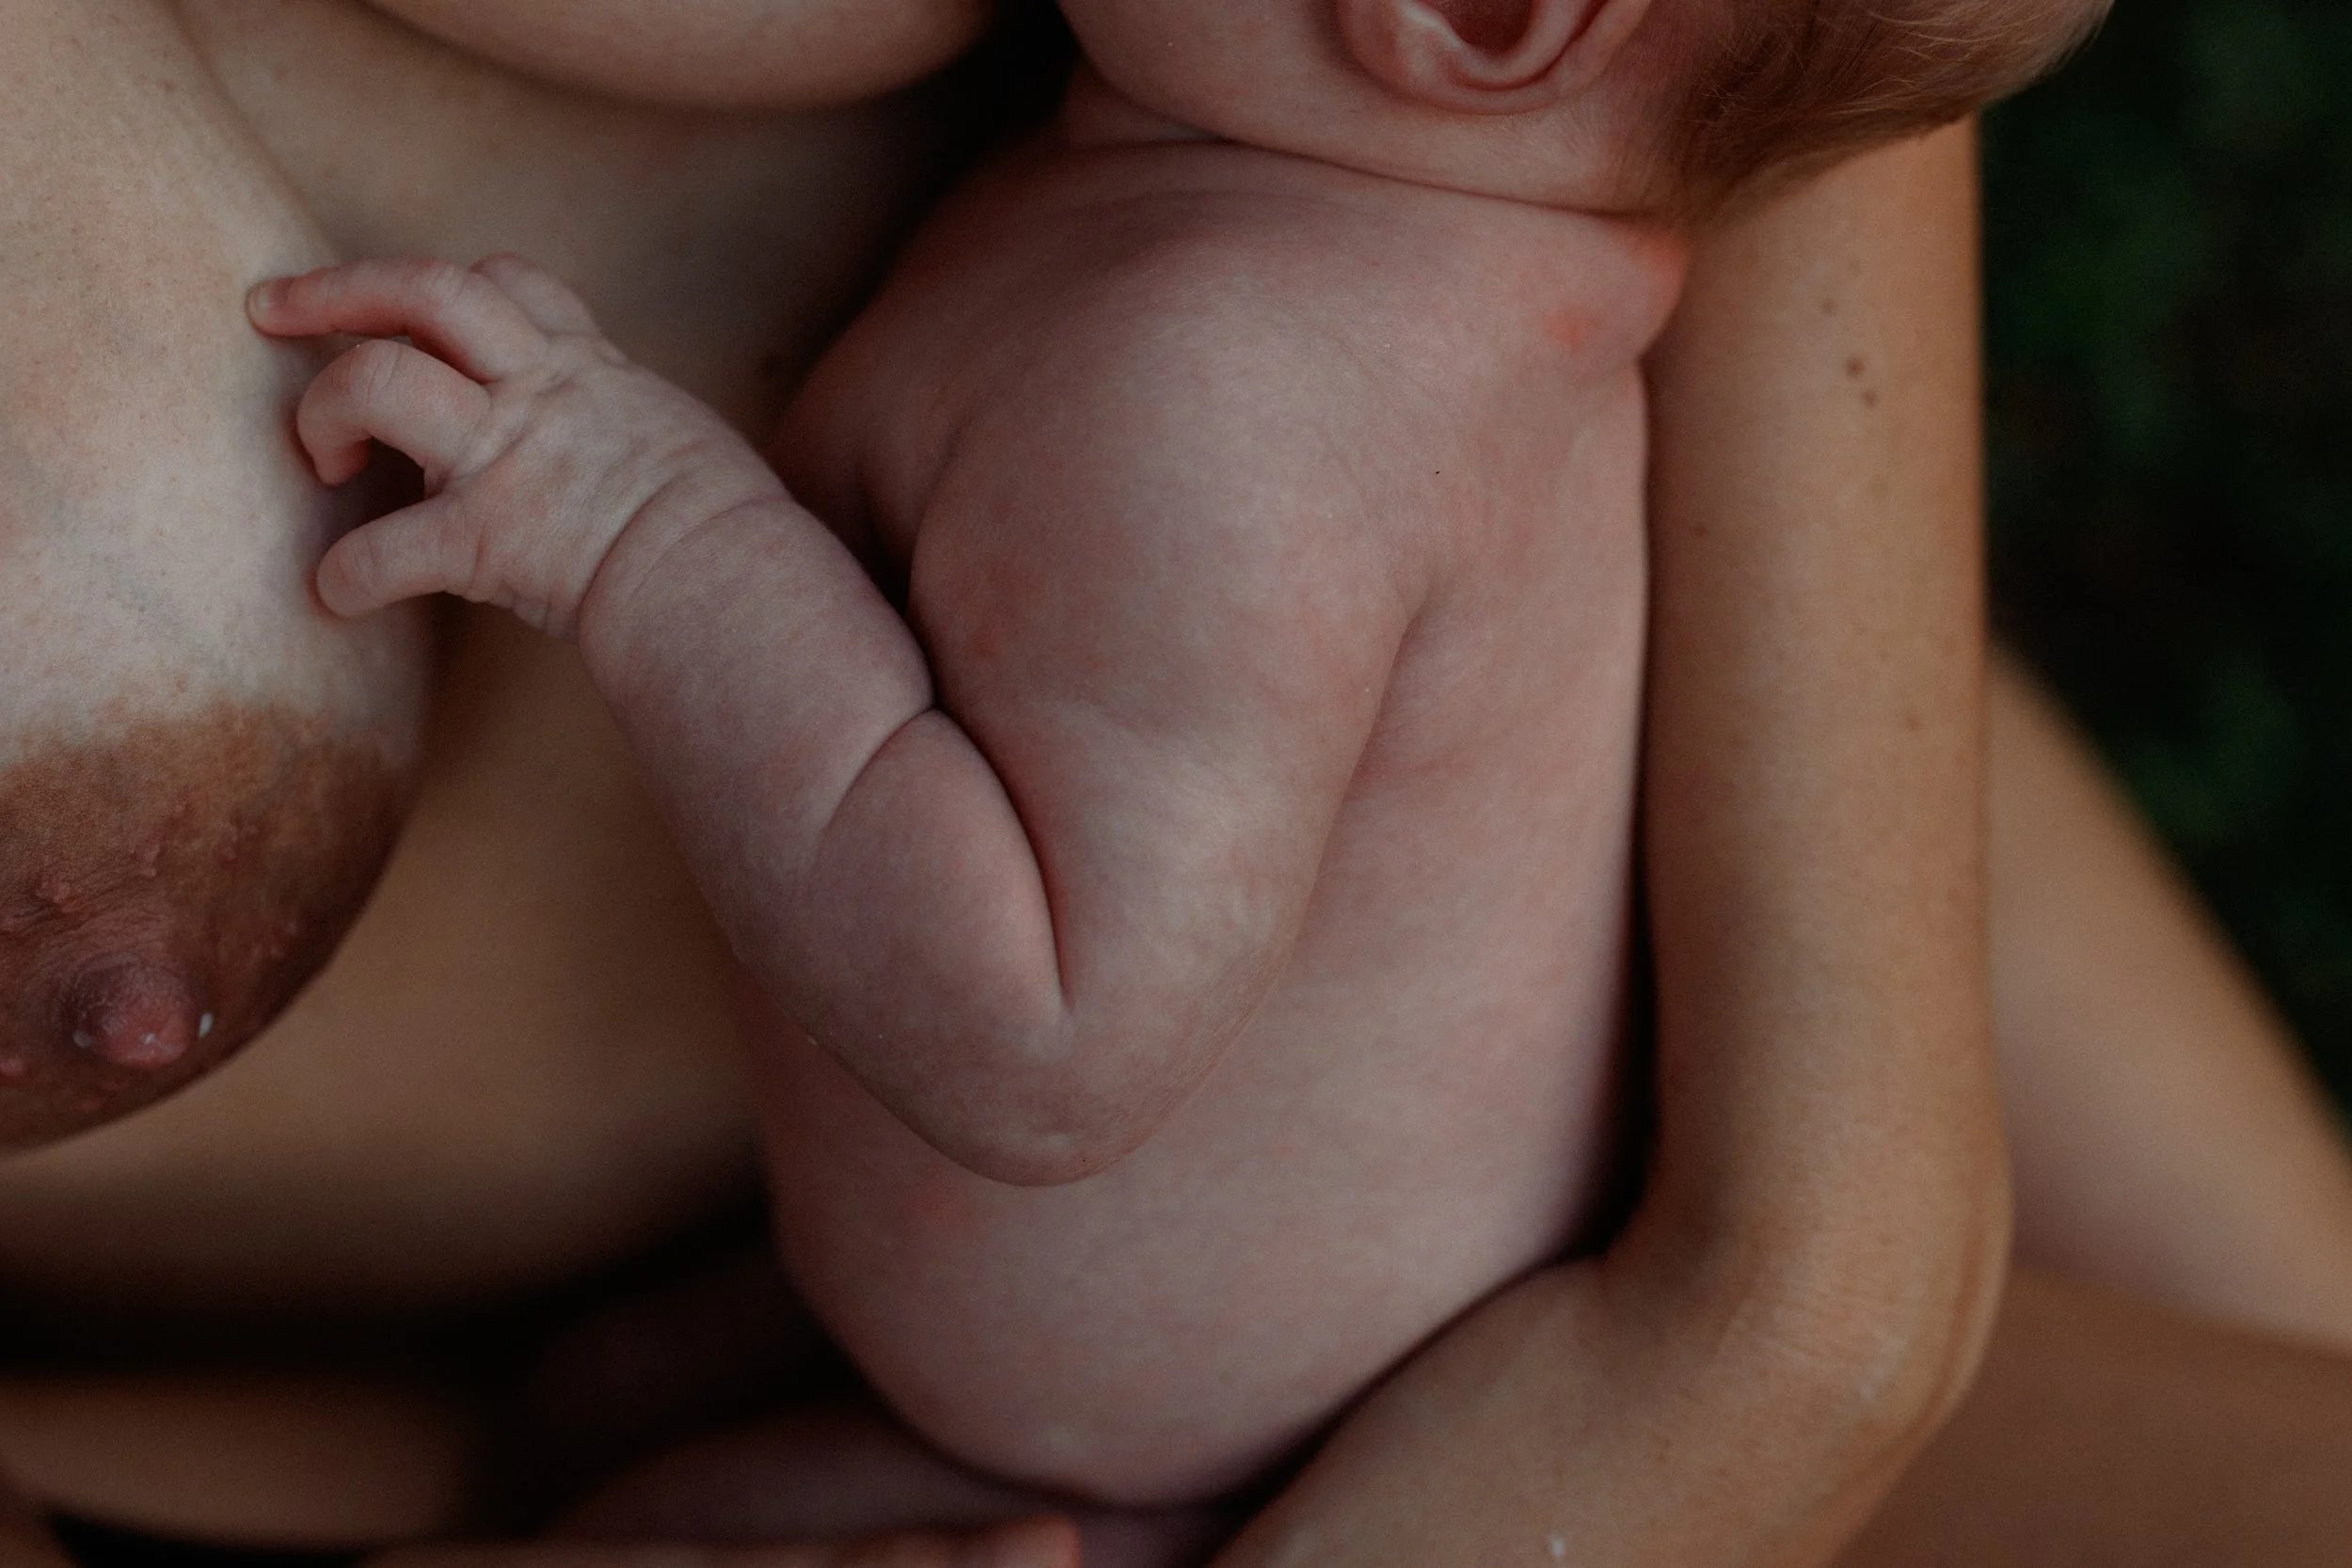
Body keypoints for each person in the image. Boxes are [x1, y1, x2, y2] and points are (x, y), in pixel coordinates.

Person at [2, 5, 2351, 1566]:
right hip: (829, 1400)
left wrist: (1795, 1292)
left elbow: (1042, 1016)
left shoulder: (1262, 359)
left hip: (1367, 1325)